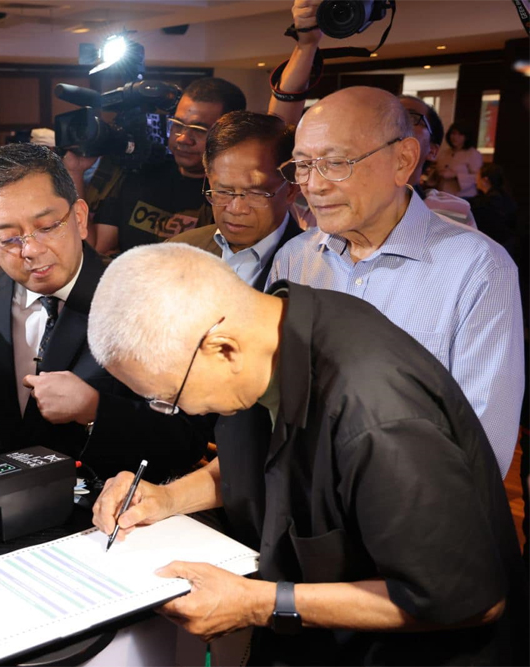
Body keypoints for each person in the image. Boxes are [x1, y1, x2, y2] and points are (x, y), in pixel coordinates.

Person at [88, 243, 526, 665]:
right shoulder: (272, 328)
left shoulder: (377, 414)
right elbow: (266, 462)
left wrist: (260, 604)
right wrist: (166, 499)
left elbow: (470, 600)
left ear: (223, 348)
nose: (177, 412)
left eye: (168, 398)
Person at [269, 86, 523, 476]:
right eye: (303, 165)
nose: (314, 185)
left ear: (403, 160)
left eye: (336, 163)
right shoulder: (295, 259)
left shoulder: (477, 268)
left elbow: (482, 444)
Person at [0, 143, 204, 481]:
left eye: (47, 226)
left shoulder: (149, 305)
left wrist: (94, 409)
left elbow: (186, 441)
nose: (31, 250)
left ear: (80, 218)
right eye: (10, 238)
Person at [269, 1, 478, 228]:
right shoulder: (324, 196)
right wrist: (306, 45)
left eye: (409, 117)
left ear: (430, 151)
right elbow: (278, 134)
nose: (391, 123)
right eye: (383, 115)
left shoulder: (448, 212)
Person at [92, 77, 246, 255]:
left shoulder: (232, 197)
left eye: (199, 129)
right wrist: (75, 170)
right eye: (178, 125)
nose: (183, 138)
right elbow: (98, 249)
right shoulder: (140, 173)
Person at [168, 111, 302, 290]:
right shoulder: (178, 251)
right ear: (209, 179)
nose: (236, 208)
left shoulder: (317, 269)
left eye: (254, 194)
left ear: (291, 190)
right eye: (223, 191)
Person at [471, 162, 519, 252]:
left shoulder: (489, 202)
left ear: (485, 180)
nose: (475, 180)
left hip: (497, 247)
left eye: (477, 176)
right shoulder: (503, 196)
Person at [436, 122, 483, 198]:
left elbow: (477, 177)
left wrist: (456, 176)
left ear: (466, 137)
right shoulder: (445, 153)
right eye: (453, 133)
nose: (455, 137)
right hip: (442, 195)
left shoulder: (473, 154)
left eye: (460, 134)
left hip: (463, 196)